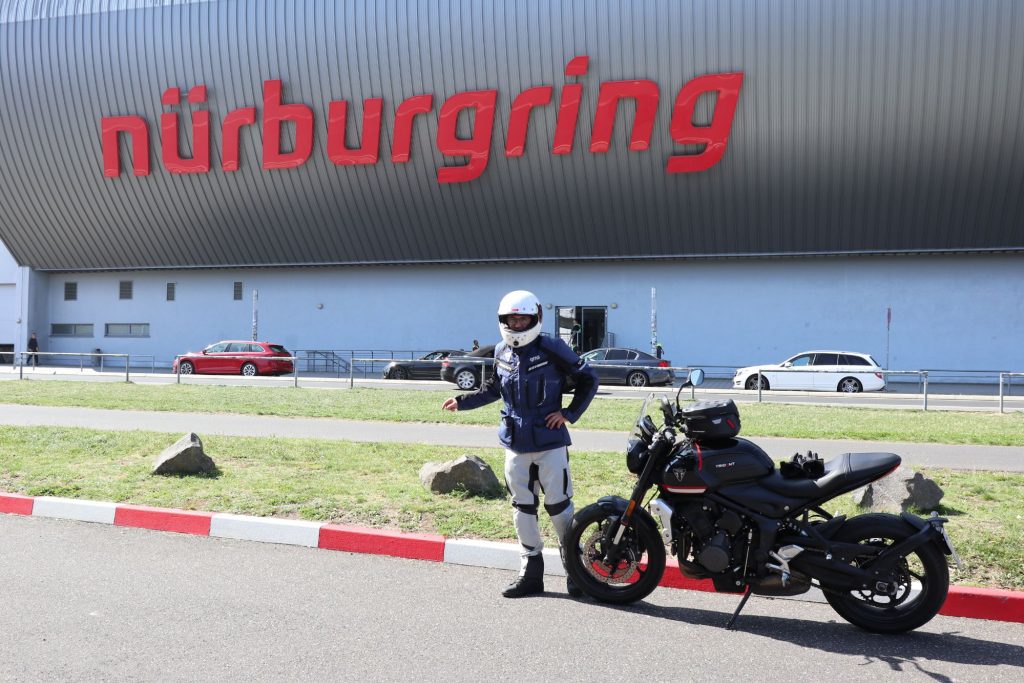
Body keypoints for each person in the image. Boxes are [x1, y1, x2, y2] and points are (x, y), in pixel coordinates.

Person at [442, 290, 599, 598]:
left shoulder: (552, 348)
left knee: (560, 507)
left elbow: (588, 378)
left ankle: (575, 572)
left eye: (522, 319)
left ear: (535, 318)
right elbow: (493, 388)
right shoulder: (501, 350)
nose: (516, 324)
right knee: (522, 508)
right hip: (514, 443)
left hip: (550, 442)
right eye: (511, 319)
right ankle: (530, 574)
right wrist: (462, 402)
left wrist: (569, 413)